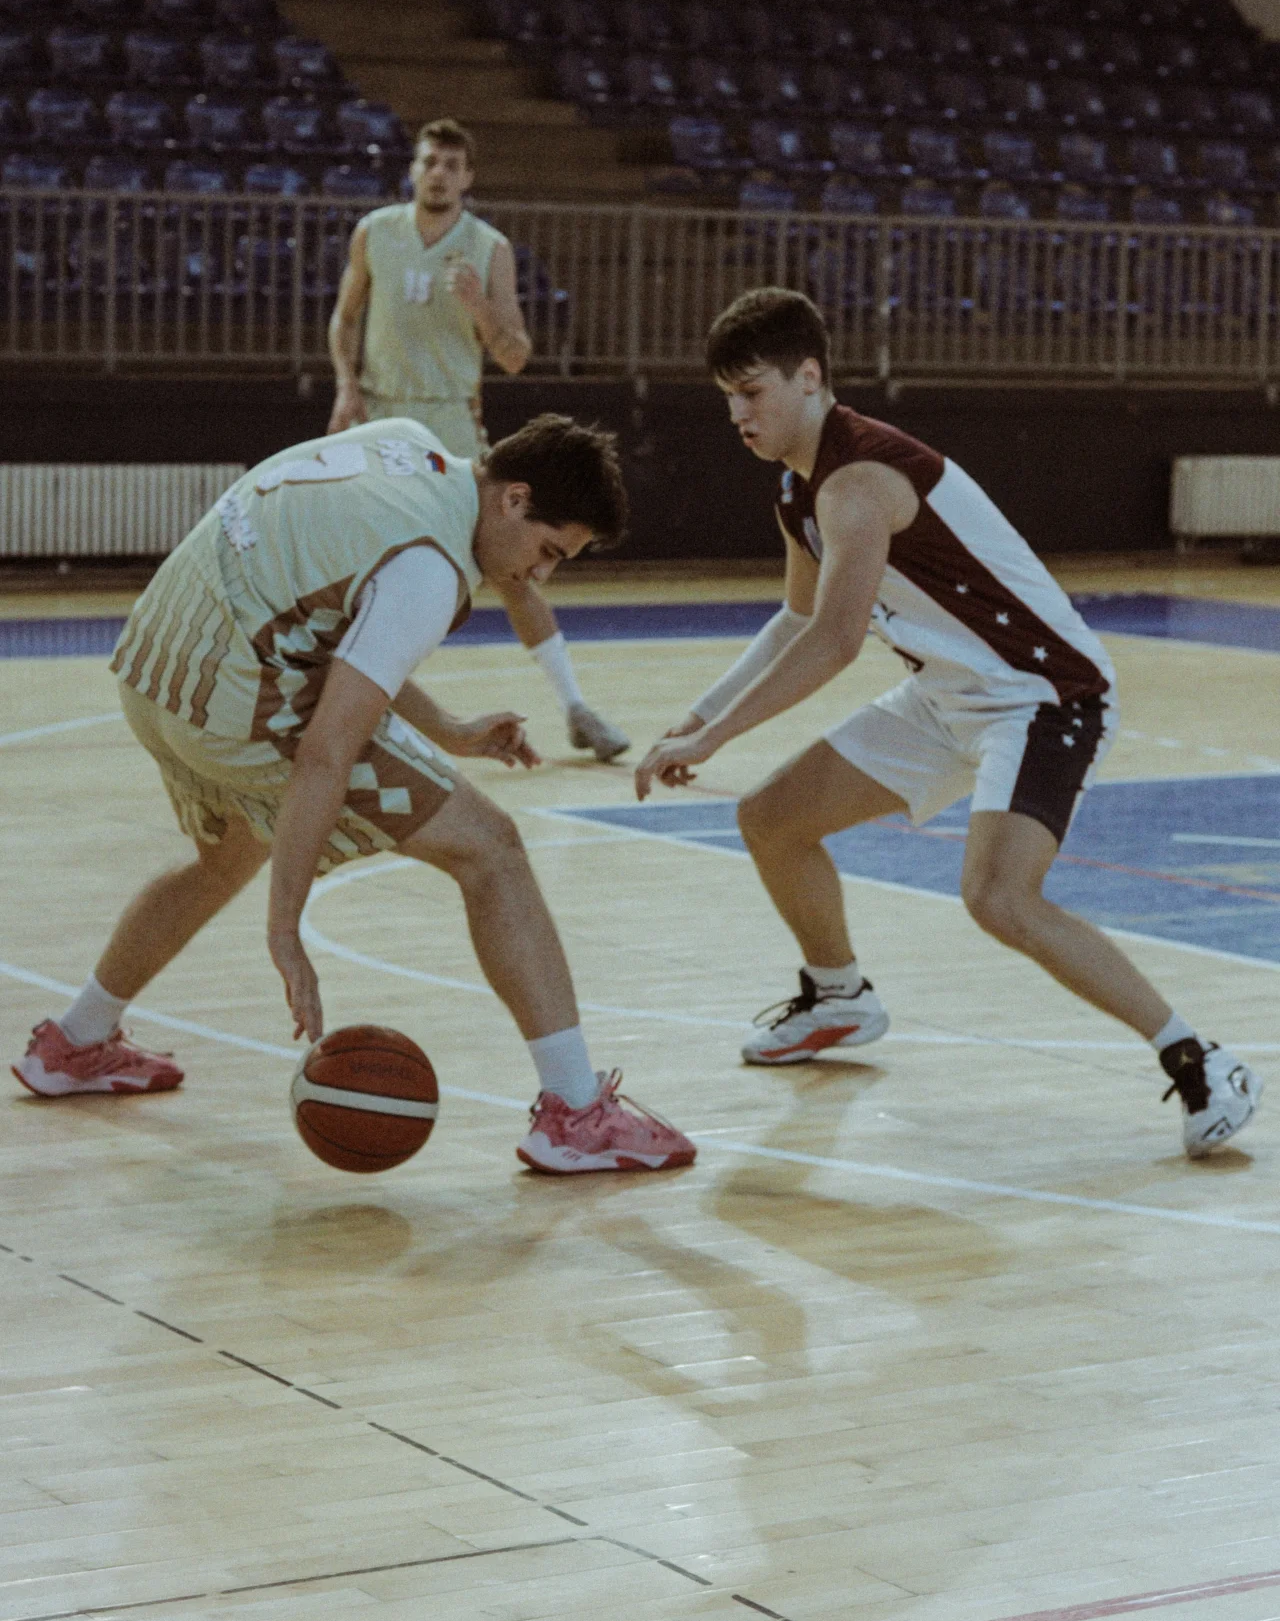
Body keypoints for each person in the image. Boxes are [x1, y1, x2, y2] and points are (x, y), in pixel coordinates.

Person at [636, 288, 1260, 1159]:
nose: (738, 414)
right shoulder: (797, 487)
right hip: (946, 697)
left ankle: (1201, 1060)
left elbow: (835, 642)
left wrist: (712, 740)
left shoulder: (859, 481)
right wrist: (698, 715)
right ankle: (839, 995)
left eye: (752, 392)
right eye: (727, 399)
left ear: (809, 377)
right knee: (771, 819)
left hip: (1044, 695)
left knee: (999, 897)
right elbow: (795, 617)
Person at [12, 414, 694, 1176]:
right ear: (514, 499)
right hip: (234, 698)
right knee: (491, 848)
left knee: (227, 854)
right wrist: (286, 927)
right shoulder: (431, 568)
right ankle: (575, 1113)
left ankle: (74, 1042)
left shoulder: (405, 443)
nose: (541, 576)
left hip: (156, 664)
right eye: (548, 551)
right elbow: (324, 754)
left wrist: (449, 731)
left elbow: (337, 631)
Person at [326, 116, 629, 764]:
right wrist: (346, 386)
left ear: (468, 177)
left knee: (509, 569)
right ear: (413, 169)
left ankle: (575, 706)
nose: (437, 173)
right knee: (355, 560)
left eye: (450, 164)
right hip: (380, 417)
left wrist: (479, 307)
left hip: (449, 423)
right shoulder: (375, 231)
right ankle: (353, 700)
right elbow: (344, 319)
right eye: (429, 161)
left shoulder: (488, 248)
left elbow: (516, 354)